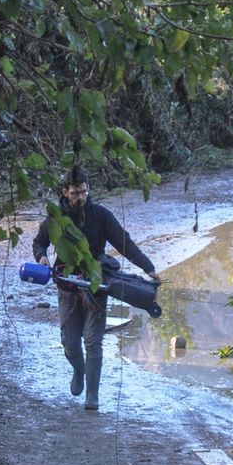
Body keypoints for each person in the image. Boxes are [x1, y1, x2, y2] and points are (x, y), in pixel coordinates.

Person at [31, 167, 160, 411]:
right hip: (67, 286)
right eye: (75, 193)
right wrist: (42, 258)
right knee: (70, 343)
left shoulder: (100, 215)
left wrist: (148, 267)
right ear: (65, 192)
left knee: (93, 341)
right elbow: (39, 242)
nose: (81, 197)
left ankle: (93, 395)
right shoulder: (56, 219)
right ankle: (78, 371)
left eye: (84, 192)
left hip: (97, 283)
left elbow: (124, 243)